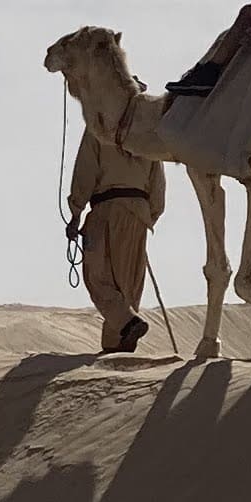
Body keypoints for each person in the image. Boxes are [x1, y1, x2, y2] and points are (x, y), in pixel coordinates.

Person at [65, 108, 165, 355]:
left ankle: (126, 327)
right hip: (139, 212)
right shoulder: (149, 131)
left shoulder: (99, 125)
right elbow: (158, 183)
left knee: (97, 276)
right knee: (127, 282)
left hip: (107, 208)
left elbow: (85, 170)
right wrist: (147, 216)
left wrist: (76, 213)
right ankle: (117, 347)